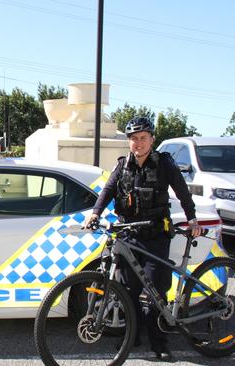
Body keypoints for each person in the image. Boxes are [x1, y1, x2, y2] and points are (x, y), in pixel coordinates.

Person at [84, 116, 202, 361]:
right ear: (129, 142)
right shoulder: (122, 165)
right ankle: (132, 337)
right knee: (129, 291)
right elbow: (107, 190)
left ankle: (159, 343)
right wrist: (95, 212)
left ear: (152, 139)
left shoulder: (164, 164)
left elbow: (182, 192)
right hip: (129, 235)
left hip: (155, 236)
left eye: (143, 138)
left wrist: (192, 220)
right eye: (134, 139)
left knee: (156, 292)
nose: (138, 143)